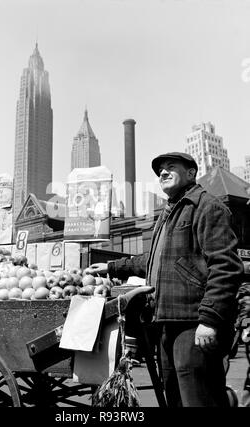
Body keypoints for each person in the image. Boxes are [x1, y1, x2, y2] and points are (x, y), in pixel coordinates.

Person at [87, 152, 244, 407]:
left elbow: (225, 267)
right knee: (174, 397)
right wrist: (111, 266)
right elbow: (153, 259)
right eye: (160, 170)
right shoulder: (169, 212)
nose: (163, 173)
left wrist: (209, 319)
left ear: (191, 173)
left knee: (197, 397)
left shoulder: (207, 207)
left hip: (193, 323)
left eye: (171, 167)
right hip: (166, 321)